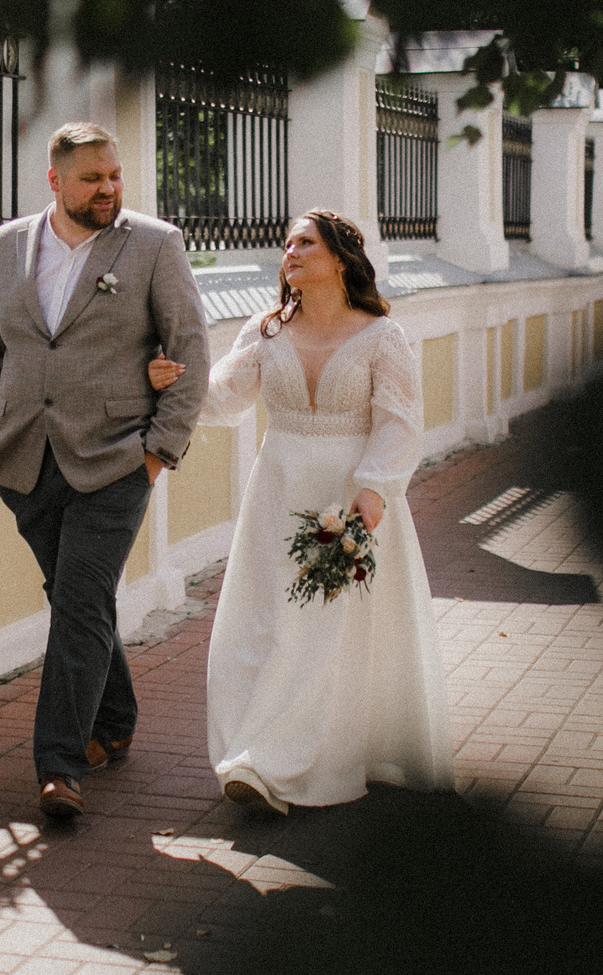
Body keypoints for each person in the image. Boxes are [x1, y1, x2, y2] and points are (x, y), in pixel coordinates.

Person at [145, 209, 455, 813]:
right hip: (277, 494)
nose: (290, 251)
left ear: (339, 259)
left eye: (305, 242)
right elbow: (222, 399)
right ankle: (255, 753)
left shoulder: (380, 336)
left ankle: (281, 763)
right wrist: (169, 380)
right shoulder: (265, 332)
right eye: (286, 242)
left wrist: (373, 489)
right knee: (269, 623)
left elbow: (399, 423)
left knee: (328, 631)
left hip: (349, 498)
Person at [0, 122, 213, 820]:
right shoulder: (5, 245)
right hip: (22, 457)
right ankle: (115, 720)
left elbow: (189, 350)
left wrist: (157, 451)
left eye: (114, 175)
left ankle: (60, 764)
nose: (108, 188)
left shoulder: (154, 244)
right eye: (92, 179)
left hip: (115, 459)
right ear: (55, 181)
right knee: (76, 596)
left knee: (78, 599)